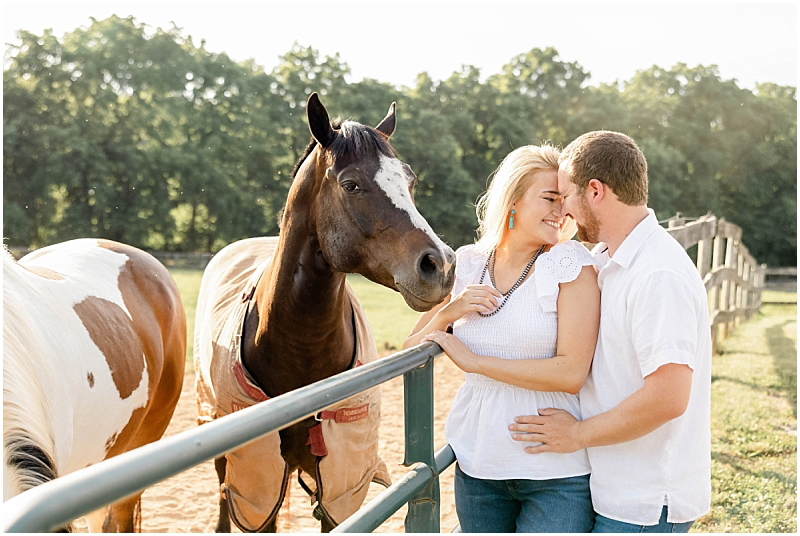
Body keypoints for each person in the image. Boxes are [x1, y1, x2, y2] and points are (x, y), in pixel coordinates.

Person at [509, 131, 712, 533]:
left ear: (596, 191)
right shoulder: (608, 260)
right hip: (617, 489)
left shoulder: (658, 274)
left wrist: (576, 435)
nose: (563, 210)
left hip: (646, 502)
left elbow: (668, 398)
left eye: (566, 196)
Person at [402, 144, 601, 533]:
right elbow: (409, 352)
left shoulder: (571, 264)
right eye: (549, 198)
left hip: (553, 472)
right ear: (512, 200)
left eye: (565, 200)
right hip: (478, 466)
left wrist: (476, 364)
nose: (562, 211)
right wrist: (449, 312)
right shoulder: (469, 263)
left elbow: (571, 372)